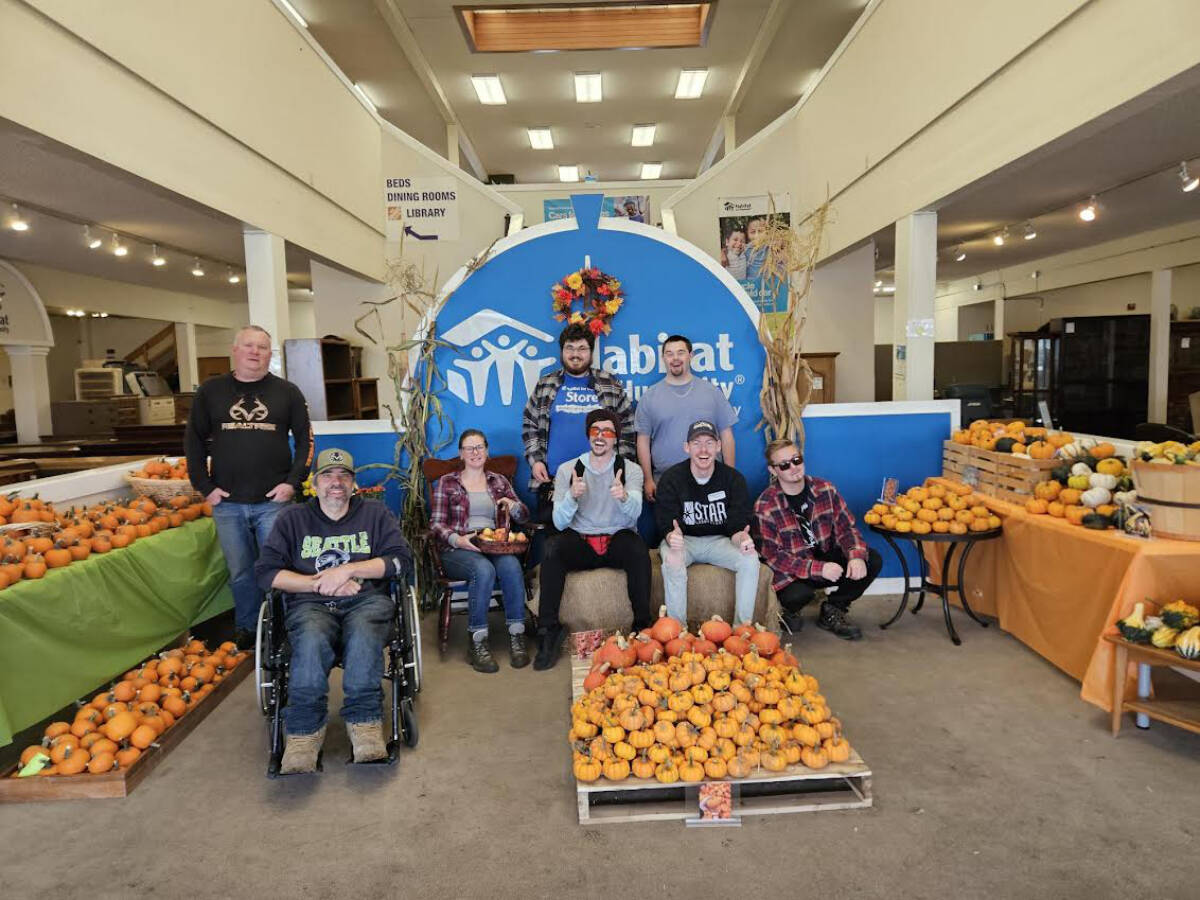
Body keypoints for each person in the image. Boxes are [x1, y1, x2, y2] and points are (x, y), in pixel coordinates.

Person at [255, 448, 412, 774]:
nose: (336, 482)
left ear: (354, 483)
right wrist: (321, 583)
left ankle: (365, 723)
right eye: (327, 475)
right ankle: (303, 733)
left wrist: (349, 570)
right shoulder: (293, 519)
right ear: (314, 482)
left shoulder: (375, 514)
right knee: (310, 638)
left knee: (365, 631)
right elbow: (267, 573)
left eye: (344, 476)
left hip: (366, 601)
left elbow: (400, 560)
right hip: (310, 604)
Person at [185, 325, 312, 650]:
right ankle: (248, 628)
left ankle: (284, 628)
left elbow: (306, 441)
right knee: (240, 572)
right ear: (235, 350)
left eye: (262, 347)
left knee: (279, 569)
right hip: (226, 503)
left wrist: (291, 483)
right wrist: (204, 486)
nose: (255, 352)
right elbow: (193, 442)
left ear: (270, 355)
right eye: (249, 346)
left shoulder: (288, 392)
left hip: (274, 501)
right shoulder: (211, 392)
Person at [533, 410, 652, 671]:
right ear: (588, 435)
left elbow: (635, 514)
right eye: (595, 431)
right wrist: (572, 498)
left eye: (607, 432)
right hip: (582, 541)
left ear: (616, 438)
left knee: (637, 549)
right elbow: (560, 522)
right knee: (552, 548)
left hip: (616, 539)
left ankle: (644, 627)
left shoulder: (630, 469)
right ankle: (548, 630)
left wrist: (623, 497)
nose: (600, 437)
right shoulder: (568, 470)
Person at [752, 439, 882, 640]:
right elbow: (774, 557)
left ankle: (834, 608)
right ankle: (788, 611)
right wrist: (817, 568)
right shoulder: (766, 505)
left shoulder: (825, 489)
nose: (793, 468)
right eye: (785, 465)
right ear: (773, 470)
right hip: (794, 570)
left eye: (797, 460)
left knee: (870, 559)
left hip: (825, 554)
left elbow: (846, 527)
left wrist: (855, 555)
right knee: (797, 596)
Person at [429, 429, 531, 673]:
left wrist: (514, 505)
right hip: (458, 548)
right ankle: (477, 641)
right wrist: (457, 539)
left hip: (493, 543)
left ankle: (517, 635)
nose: (475, 452)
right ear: (461, 454)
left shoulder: (499, 481)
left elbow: (524, 515)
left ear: (486, 450)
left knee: (511, 567)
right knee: (482, 570)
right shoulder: (448, 482)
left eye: (480, 447)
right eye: (469, 448)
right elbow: (435, 523)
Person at [522, 322, 634, 521]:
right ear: (562, 351)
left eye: (582, 348)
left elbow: (627, 427)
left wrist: (620, 468)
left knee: (602, 543)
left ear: (591, 352)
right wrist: (536, 460)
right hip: (555, 481)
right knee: (556, 546)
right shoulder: (545, 384)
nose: (576, 354)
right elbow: (529, 423)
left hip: (602, 482)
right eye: (570, 348)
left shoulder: (610, 383)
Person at [654, 420, 760, 625]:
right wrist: (671, 536)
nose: (703, 449)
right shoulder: (672, 478)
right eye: (696, 443)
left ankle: (742, 629)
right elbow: (666, 519)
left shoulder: (733, 479)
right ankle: (678, 631)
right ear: (687, 447)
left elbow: (737, 522)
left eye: (709, 443)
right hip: (685, 541)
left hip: (720, 541)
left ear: (719, 446)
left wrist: (742, 538)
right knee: (673, 560)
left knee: (750, 559)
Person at [635, 334, 738, 502]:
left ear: (690, 356)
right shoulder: (650, 397)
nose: (675, 358)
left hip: (711, 479)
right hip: (666, 482)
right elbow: (643, 441)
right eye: (669, 353)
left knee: (712, 529)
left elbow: (726, 435)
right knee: (670, 528)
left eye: (680, 352)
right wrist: (648, 479)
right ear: (663, 358)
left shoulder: (712, 392)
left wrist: (730, 477)